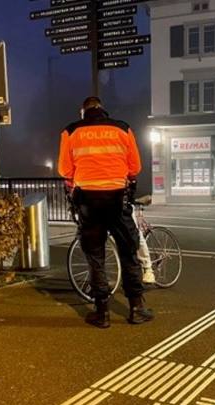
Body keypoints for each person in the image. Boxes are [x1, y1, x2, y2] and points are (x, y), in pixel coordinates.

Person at [58, 96, 154, 328]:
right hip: (117, 200)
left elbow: (65, 170)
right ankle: (136, 308)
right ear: (102, 110)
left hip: (88, 202)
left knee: (95, 256)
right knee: (128, 252)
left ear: (83, 112)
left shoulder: (70, 132)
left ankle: (102, 313)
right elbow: (135, 168)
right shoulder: (122, 128)